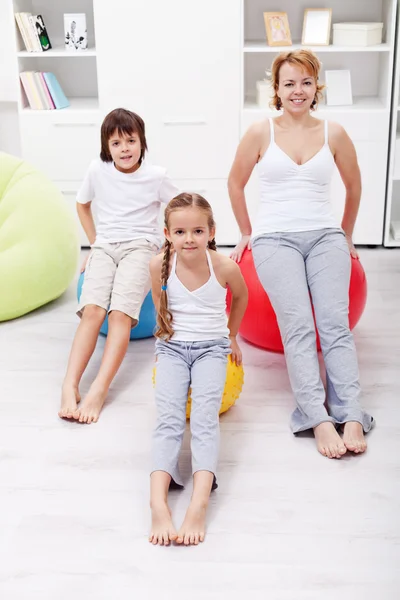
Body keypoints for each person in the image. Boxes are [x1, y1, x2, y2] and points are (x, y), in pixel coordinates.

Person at [228, 49, 373, 459]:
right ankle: (317, 417)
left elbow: (355, 185)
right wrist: (246, 231)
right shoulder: (260, 132)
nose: (297, 90)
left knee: (335, 327)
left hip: (324, 235)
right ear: (276, 88)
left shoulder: (334, 132)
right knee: (299, 329)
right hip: (275, 239)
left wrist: (345, 234)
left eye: (305, 82)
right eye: (289, 83)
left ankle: (352, 413)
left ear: (316, 87)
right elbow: (235, 183)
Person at [59, 108, 178, 424]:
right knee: (93, 312)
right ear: (106, 147)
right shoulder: (97, 170)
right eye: (116, 143)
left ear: (142, 142)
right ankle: (69, 386)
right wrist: (95, 242)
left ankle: (99, 389)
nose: (124, 148)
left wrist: (170, 245)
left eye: (131, 140)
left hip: (140, 248)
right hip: (105, 247)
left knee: (120, 315)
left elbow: (181, 207)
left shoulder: (156, 176)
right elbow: (82, 205)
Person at [148, 193, 248, 545]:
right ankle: (157, 504)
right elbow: (162, 313)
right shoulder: (158, 263)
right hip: (173, 350)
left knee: (205, 420)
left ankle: (198, 504)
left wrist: (231, 336)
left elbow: (242, 296)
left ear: (211, 231)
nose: (188, 238)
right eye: (180, 232)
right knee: (169, 420)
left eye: (197, 230)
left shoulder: (223, 265)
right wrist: (163, 347)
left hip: (212, 350)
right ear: (167, 233)